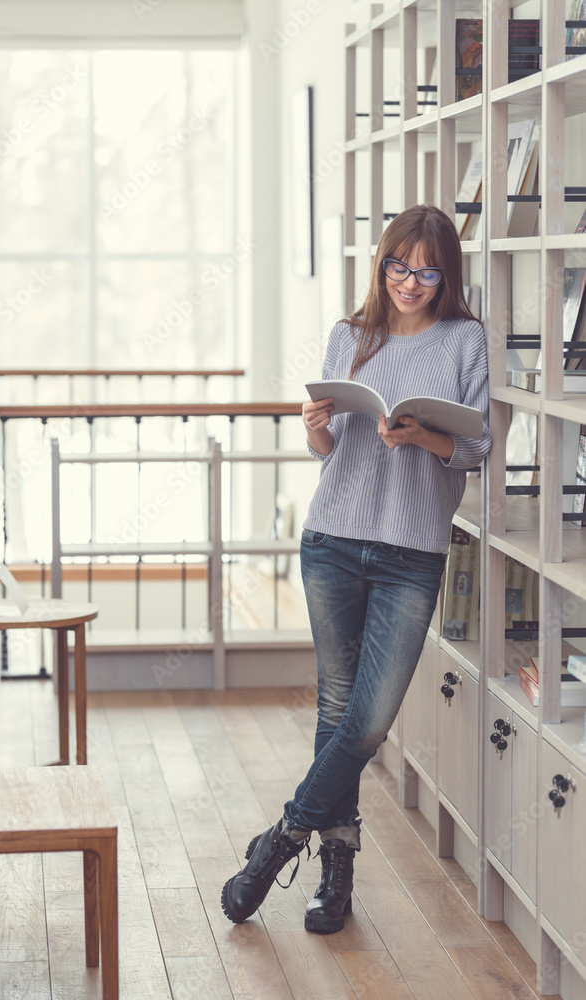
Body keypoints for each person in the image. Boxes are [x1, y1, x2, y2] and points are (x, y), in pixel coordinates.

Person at [221, 203, 491, 934]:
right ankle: (336, 874)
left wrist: (424, 435)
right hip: (333, 539)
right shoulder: (349, 335)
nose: (410, 281)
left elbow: (475, 449)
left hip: (412, 552)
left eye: (426, 271)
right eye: (398, 266)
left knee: (367, 724)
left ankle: (278, 842)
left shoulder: (465, 340)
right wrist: (315, 431)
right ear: (382, 264)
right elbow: (331, 448)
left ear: (446, 275)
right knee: (336, 713)